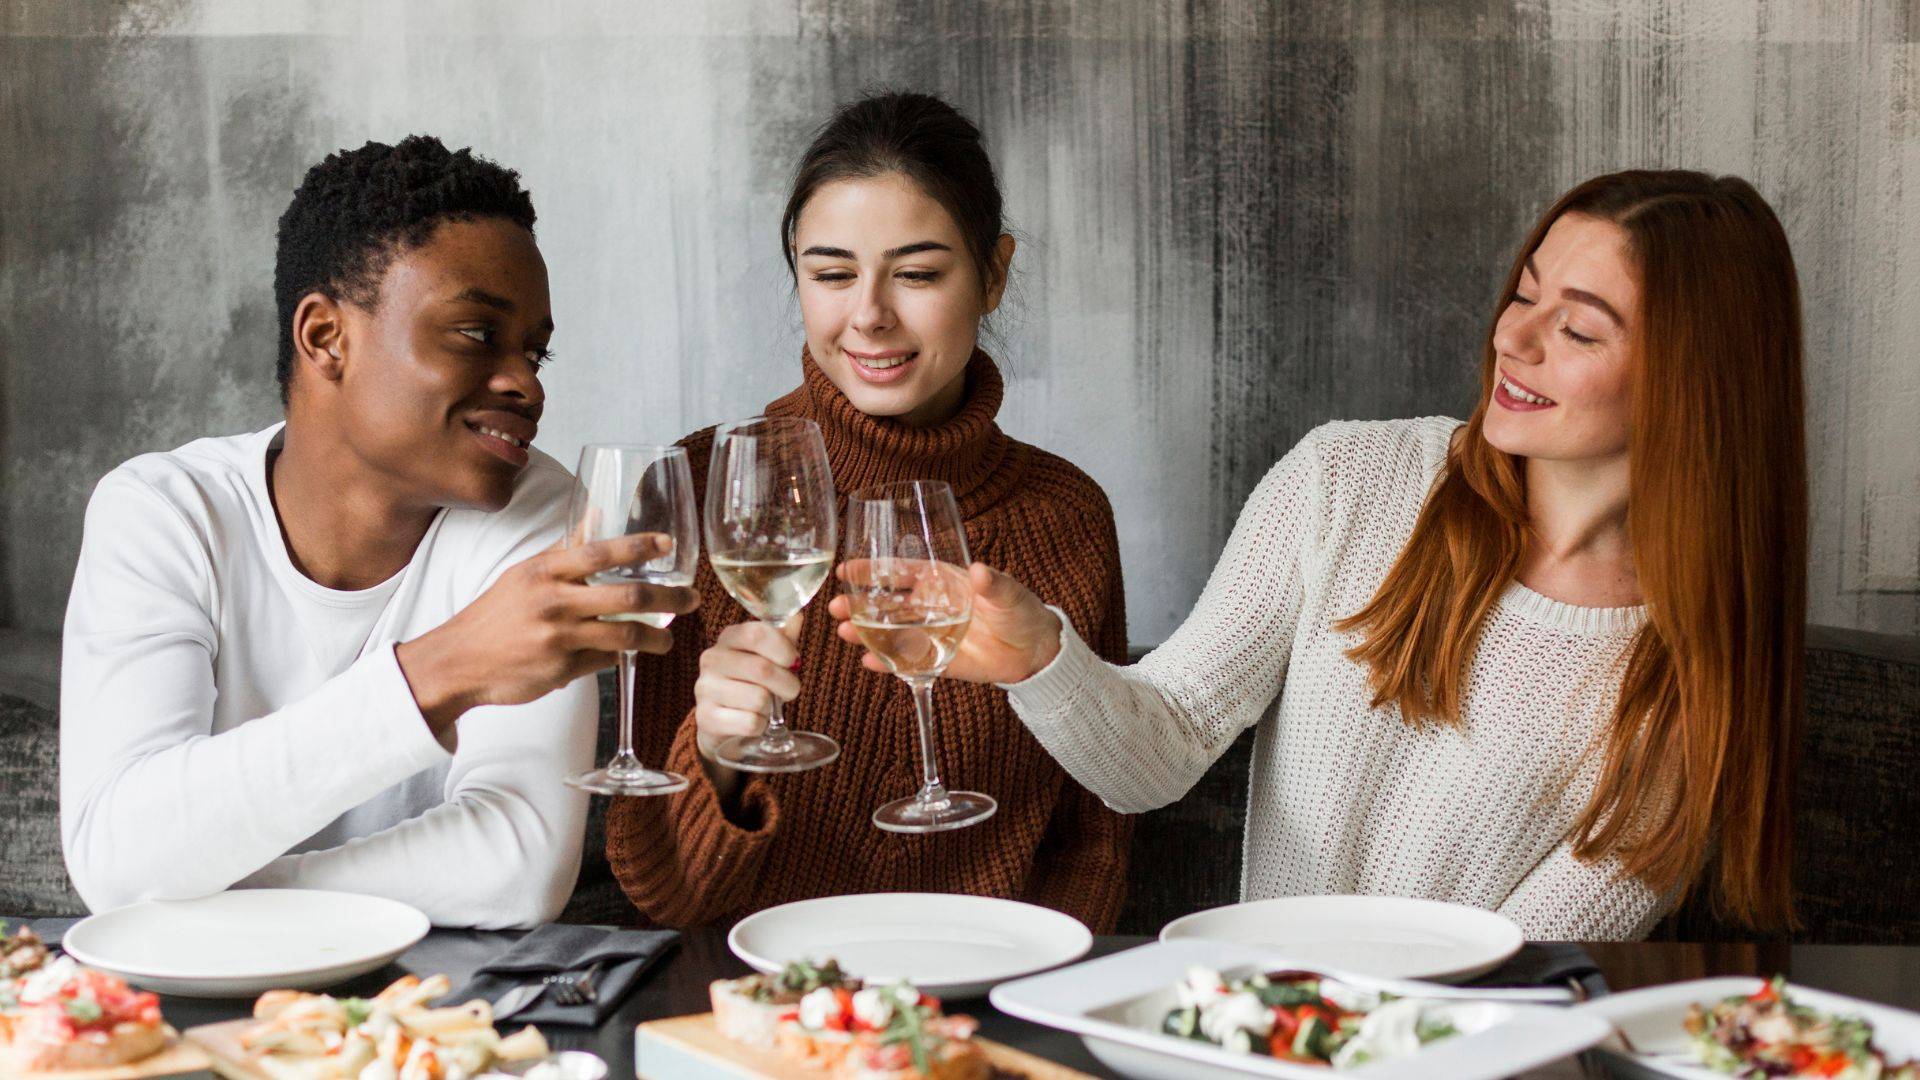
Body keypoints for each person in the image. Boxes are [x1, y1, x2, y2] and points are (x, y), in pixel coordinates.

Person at [833, 170, 1807, 939]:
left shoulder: (1691, 675)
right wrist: (1040, 659)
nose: (1515, 338)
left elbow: (1518, 973)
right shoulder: (1350, 481)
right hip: (1261, 1041)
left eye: (1579, 328)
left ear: (1692, 383)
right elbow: (1155, 758)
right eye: (1523, 294)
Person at [60, 136, 697, 928]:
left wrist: (216, 892)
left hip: (443, 1018)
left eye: (536, 351)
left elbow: (518, 865)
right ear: (326, 336)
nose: (527, 384)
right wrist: (441, 669)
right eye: (474, 334)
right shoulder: (164, 513)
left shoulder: (537, 513)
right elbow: (118, 857)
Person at [607, 92, 1134, 930]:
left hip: (993, 1003)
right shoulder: (706, 483)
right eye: (831, 274)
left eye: (919, 274)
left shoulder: (1065, 515)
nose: (869, 315)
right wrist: (716, 758)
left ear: (994, 272)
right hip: (753, 1015)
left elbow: (1094, 839)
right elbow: (665, 896)